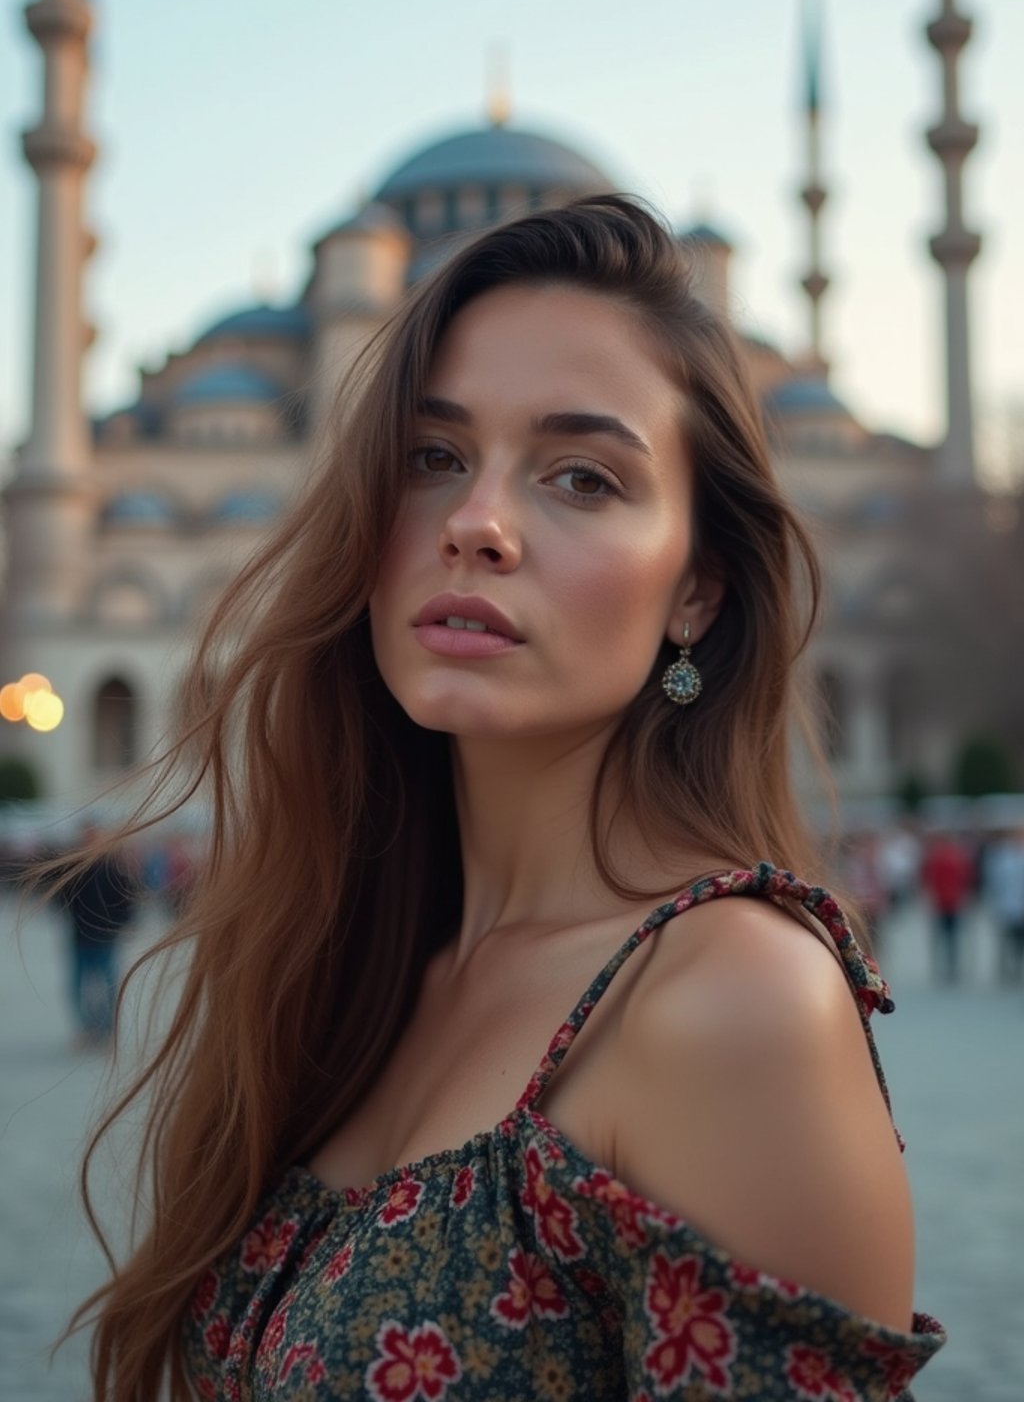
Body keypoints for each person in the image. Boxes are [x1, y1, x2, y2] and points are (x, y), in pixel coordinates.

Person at [39, 196, 945, 1399]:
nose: (476, 523)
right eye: (433, 457)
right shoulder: (350, 965)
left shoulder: (729, 1002)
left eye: (581, 476)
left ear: (697, 591)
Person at [59, 821, 135, 1048]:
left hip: (105, 936)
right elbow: (62, 899)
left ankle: (106, 1029)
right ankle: (87, 1028)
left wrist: (120, 924)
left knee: (108, 983)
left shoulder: (113, 867)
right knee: (79, 985)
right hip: (80, 935)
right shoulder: (74, 868)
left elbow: (127, 900)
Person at [920, 830, 975, 984]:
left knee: (939, 937)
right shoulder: (959, 857)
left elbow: (927, 880)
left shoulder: (934, 858)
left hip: (940, 902)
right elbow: (966, 880)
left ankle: (940, 967)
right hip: (953, 902)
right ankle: (952, 967)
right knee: (953, 938)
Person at [983, 826, 1024, 983]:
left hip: (1020, 906)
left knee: (1019, 941)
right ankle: (1004, 969)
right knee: (1004, 939)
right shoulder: (1001, 856)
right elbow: (994, 881)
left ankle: (1016, 968)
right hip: (1004, 904)